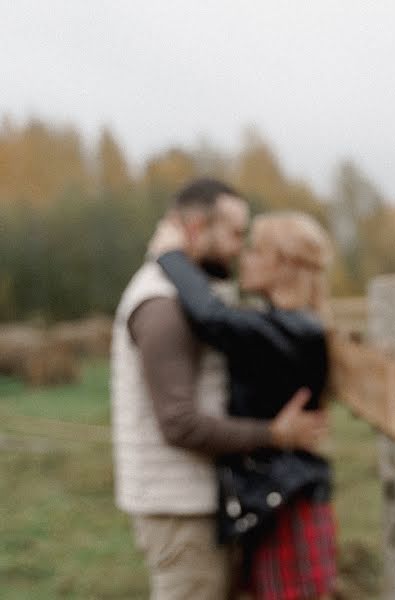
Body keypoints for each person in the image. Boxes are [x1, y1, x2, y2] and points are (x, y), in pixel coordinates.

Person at [111, 179, 326, 600]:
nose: (238, 247)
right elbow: (179, 424)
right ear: (194, 229)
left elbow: (223, 320)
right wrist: (273, 434)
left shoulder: (188, 296)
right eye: (233, 233)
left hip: (199, 502)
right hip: (179, 508)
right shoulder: (165, 305)